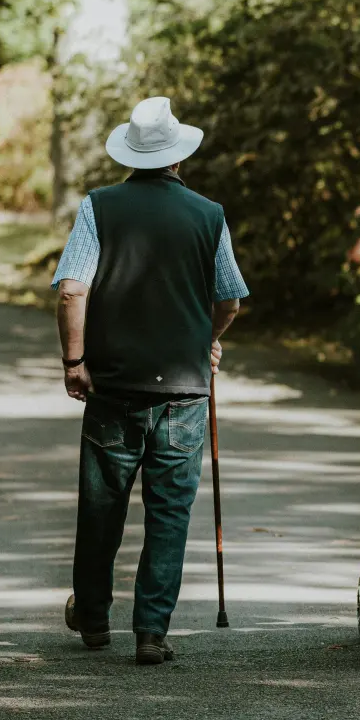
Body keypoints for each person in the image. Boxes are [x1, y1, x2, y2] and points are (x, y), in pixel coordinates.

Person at [52, 96, 247, 665]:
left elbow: (71, 289)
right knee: (169, 515)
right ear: (179, 158)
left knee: (101, 509)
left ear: (130, 156)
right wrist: (204, 339)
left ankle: (91, 618)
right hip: (184, 392)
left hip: (112, 387)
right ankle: (150, 632)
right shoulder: (209, 214)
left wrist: (74, 361)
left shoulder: (99, 207)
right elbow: (230, 298)